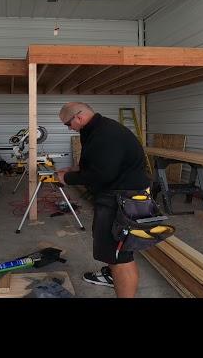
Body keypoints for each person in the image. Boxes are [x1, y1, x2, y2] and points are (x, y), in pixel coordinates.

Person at [56, 102, 149, 298]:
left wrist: (68, 178)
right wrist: (74, 170)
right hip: (115, 194)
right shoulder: (93, 129)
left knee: (119, 255)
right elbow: (96, 163)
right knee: (110, 246)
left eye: (67, 124)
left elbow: (102, 175)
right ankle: (110, 276)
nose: (68, 128)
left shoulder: (106, 134)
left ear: (78, 118)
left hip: (122, 198)